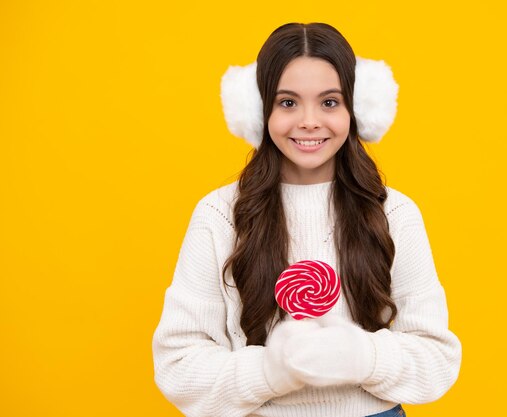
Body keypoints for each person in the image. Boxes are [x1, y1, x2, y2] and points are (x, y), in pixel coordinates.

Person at [152, 22, 462, 417]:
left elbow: (436, 358)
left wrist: (361, 356)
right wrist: (271, 370)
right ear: (258, 110)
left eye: (329, 102)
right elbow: (177, 366)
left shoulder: (393, 214)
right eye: (288, 102)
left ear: (358, 107)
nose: (310, 121)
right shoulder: (220, 216)